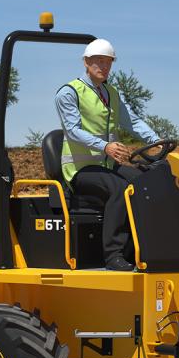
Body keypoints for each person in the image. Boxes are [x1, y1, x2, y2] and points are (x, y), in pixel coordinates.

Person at [55, 38, 160, 272]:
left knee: (146, 182)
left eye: (107, 62)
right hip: (80, 170)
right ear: (86, 62)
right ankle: (113, 255)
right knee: (120, 189)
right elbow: (72, 130)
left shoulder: (111, 92)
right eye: (97, 61)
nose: (103, 66)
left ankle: (142, 248)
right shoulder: (69, 92)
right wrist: (105, 146)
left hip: (107, 164)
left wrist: (157, 141)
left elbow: (131, 121)